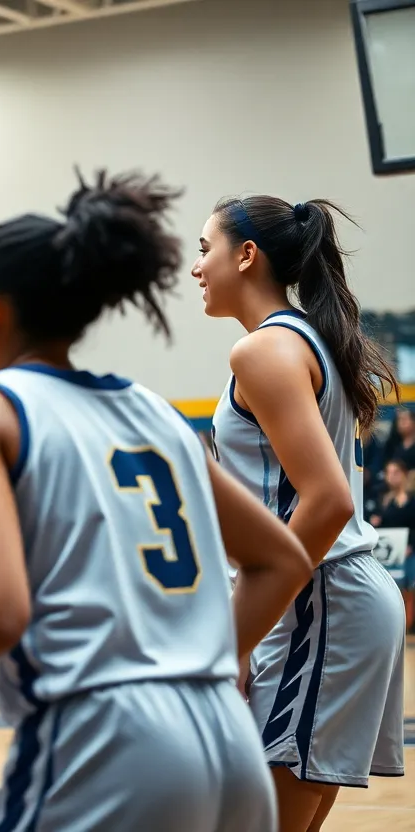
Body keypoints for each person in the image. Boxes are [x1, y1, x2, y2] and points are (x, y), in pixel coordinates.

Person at [0, 170, 315, 832]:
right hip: (228, 742)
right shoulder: (154, 412)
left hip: (104, 742)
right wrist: (204, 663)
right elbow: (283, 559)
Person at [194, 195, 406, 830]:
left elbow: (326, 502)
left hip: (321, 600)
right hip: (331, 600)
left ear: (247, 255)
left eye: (206, 249)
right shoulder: (306, 339)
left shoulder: (263, 351)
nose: (196, 267)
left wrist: (233, 643)